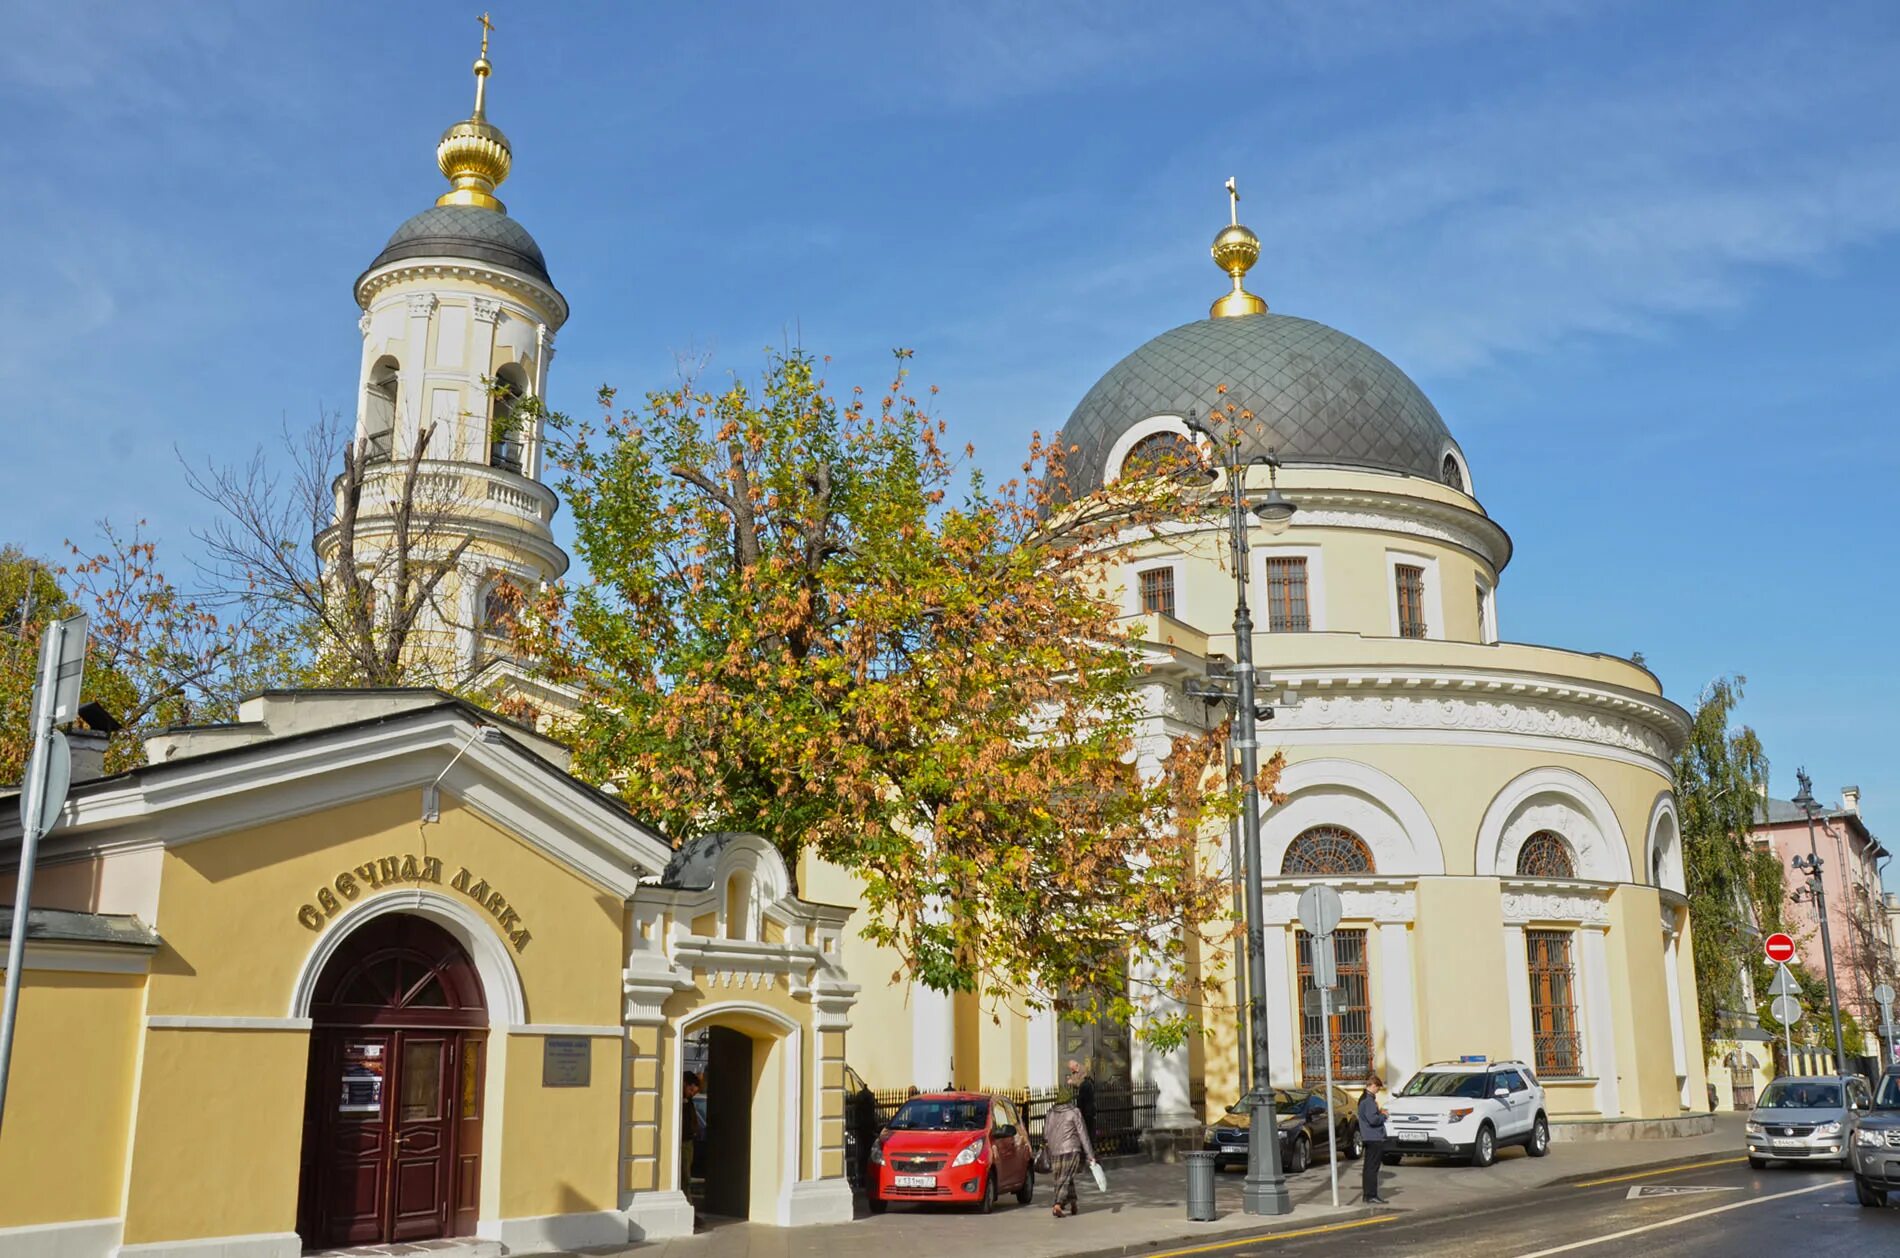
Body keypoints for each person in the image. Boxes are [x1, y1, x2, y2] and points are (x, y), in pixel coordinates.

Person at [1044, 1086, 1097, 1218]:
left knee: (1061, 1177)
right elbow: (1083, 1134)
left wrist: (1050, 1147)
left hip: (1055, 1150)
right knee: (1066, 1177)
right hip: (1071, 1149)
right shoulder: (1074, 1112)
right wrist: (1090, 1155)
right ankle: (1058, 1204)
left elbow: (1046, 1134)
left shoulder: (1051, 1112)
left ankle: (1072, 1203)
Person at [1357, 1075, 1390, 1205]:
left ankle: (1367, 1195)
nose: (1378, 1091)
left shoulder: (1363, 1098)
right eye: (1378, 1088)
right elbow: (1373, 1119)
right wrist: (1383, 1115)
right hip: (1374, 1137)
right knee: (1372, 1168)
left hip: (1368, 1136)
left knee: (1368, 1168)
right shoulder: (1369, 1101)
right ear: (1373, 1086)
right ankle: (1371, 1195)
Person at [681, 1072, 704, 1189]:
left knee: (686, 1175)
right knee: (684, 1177)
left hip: (688, 1140)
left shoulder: (688, 1101)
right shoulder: (680, 1102)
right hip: (683, 1141)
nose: (692, 1094)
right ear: (685, 1084)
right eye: (691, 1090)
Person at [1067, 1059, 1098, 1142]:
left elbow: (1081, 1083)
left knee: (1089, 1127)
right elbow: (1076, 1083)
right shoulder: (1073, 1073)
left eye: (1072, 1068)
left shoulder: (1084, 1070)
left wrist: (1072, 1082)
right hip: (1079, 1099)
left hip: (1087, 1101)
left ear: (1076, 1066)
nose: (1071, 1070)